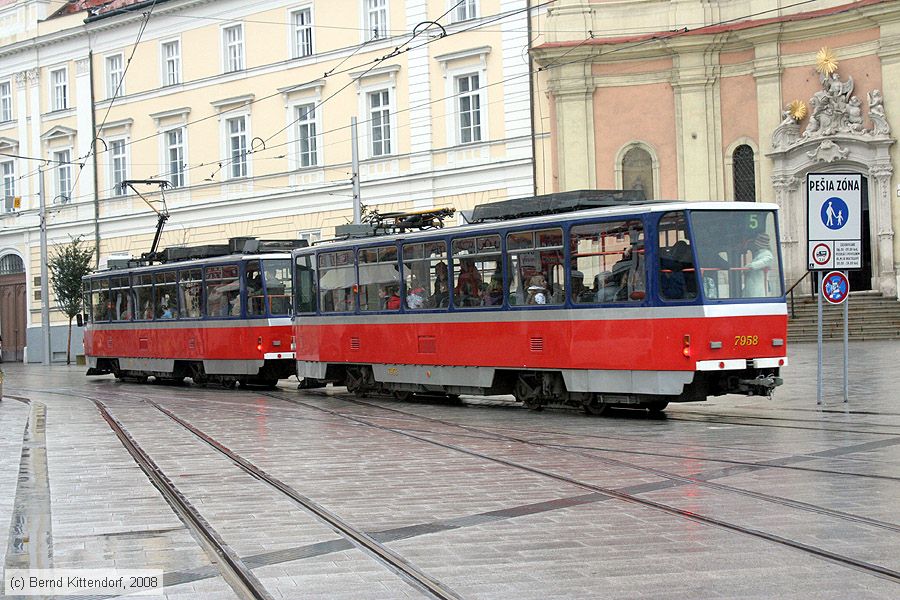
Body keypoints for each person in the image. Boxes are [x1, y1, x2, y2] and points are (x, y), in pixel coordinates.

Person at [743, 233, 774, 297]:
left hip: (759, 289)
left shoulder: (767, 255)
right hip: (753, 286)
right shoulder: (758, 254)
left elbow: (757, 265)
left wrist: (748, 266)